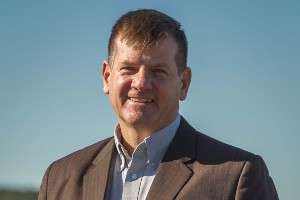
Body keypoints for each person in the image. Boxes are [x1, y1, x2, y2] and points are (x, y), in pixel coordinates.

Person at [38, 9, 278, 200]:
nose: (141, 83)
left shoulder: (236, 175)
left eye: (159, 71)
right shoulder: (59, 178)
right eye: (128, 69)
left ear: (183, 83)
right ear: (107, 77)